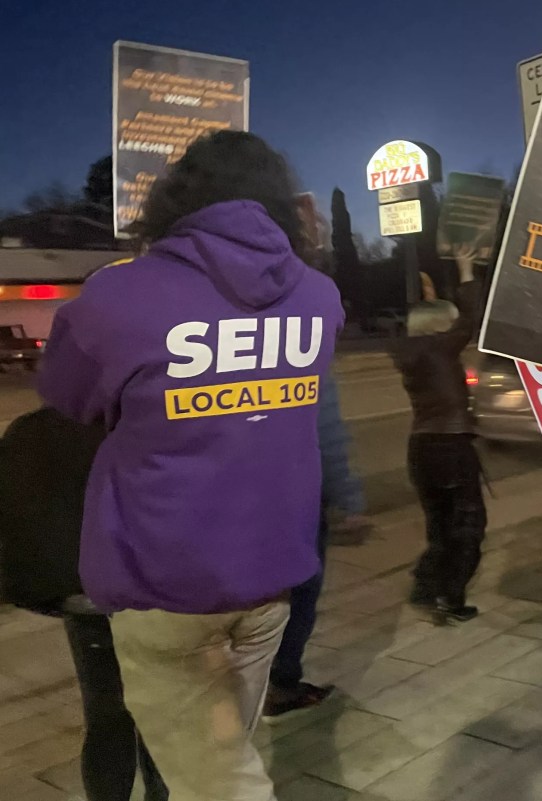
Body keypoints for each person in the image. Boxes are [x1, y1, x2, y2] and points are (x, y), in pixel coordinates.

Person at [37, 130, 344, 801]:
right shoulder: (320, 297)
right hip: (270, 578)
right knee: (226, 747)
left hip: (163, 584)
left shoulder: (121, 297)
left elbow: (65, 393)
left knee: (217, 780)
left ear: (176, 199)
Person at [0, 408, 167, 801]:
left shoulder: (34, 428)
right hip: (148, 594)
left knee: (107, 716)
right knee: (160, 717)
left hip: (82, 596)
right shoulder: (150, 421)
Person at [263, 372, 370, 719]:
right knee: (298, 596)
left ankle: (244, 688)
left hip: (230, 502)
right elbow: (327, 434)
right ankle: (280, 685)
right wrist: (348, 499)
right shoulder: (304, 343)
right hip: (296, 500)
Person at [392, 247, 487, 623]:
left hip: (422, 448)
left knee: (440, 525)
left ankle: (426, 585)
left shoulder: (414, 352)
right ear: (438, 327)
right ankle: (451, 597)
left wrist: (431, 302)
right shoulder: (439, 350)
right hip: (451, 447)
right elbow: (472, 318)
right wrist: (465, 271)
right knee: (468, 526)